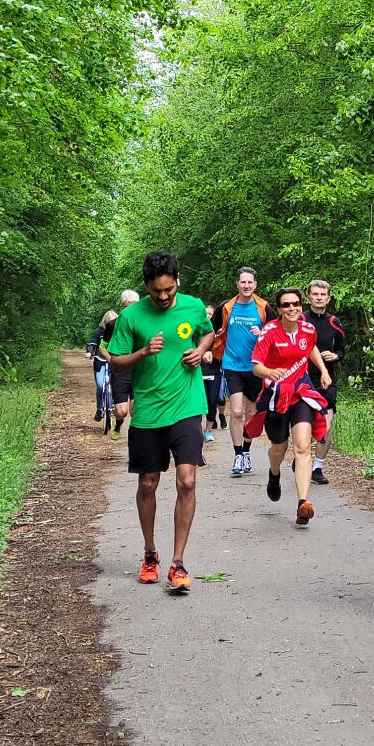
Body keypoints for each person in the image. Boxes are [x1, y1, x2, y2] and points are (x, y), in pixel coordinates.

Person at [105, 253, 214, 596]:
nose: (163, 297)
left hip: (186, 405)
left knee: (187, 480)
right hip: (149, 411)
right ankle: (150, 553)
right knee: (149, 483)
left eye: (168, 290)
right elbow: (117, 363)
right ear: (146, 287)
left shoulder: (194, 306)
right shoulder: (131, 317)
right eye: (156, 292)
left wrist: (200, 349)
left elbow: (208, 334)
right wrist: (142, 354)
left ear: (177, 281)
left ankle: (178, 562)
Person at [247, 287, 333, 527]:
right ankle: (274, 473)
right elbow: (256, 365)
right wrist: (269, 371)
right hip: (276, 395)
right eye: (286, 305)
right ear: (280, 309)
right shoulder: (270, 332)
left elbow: (311, 347)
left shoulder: (307, 329)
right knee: (279, 446)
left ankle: (302, 504)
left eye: (296, 303)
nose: (292, 308)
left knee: (303, 447)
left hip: (301, 392)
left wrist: (324, 371)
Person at [208, 267, 271, 476]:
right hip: (232, 365)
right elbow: (208, 329)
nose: (246, 286)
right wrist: (208, 350)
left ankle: (246, 452)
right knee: (236, 412)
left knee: (252, 414)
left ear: (255, 284)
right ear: (237, 284)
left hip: (255, 367)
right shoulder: (226, 307)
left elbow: (275, 335)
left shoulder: (263, 308)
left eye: (250, 283)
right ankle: (237, 455)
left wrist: (262, 333)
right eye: (243, 282)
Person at [302, 280, 346, 485]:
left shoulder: (335, 323)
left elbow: (342, 351)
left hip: (327, 380)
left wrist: (334, 356)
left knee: (326, 426)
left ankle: (317, 467)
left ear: (328, 298)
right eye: (315, 294)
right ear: (308, 297)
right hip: (302, 379)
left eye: (323, 294)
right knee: (306, 424)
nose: (319, 297)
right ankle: (302, 458)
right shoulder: (299, 319)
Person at [97, 289, 139, 438]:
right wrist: (112, 361)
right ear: (122, 305)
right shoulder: (113, 325)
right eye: (127, 306)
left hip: (139, 371)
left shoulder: (143, 323)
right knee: (121, 411)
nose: (130, 310)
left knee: (137, 409)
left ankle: (138, 436)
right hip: (120, 371)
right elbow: (102, 347)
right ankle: (119, 423)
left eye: (133, 306)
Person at [87, 308, 118, 422]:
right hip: (100, 360)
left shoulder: (120, 332)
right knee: (100, 385)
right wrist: (89, 352)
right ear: (105, 322)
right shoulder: (99, 332)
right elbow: (93, 342)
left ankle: (113, 404)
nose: (111, 324)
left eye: (113, 322)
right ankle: (100, 408)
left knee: (117, 385)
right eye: (108, 322)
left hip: (114, 361)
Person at [201, 303, 223, 442]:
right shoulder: (196, 331)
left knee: (212, 401)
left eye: (210, 314)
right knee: (198, 403)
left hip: (215, 371)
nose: (208, 316)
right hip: (198, 372)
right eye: (206, 314)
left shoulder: (220, 332)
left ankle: (208, 431)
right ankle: (196, 430)